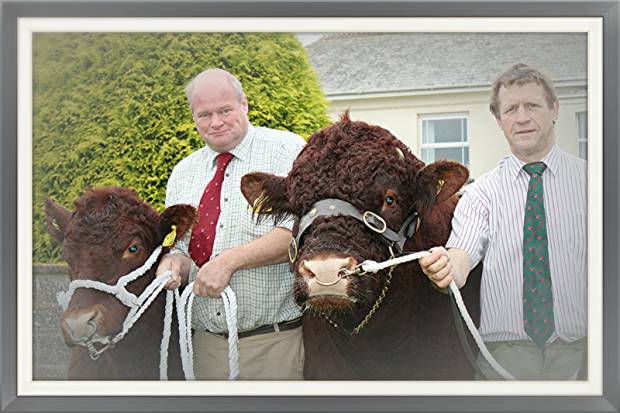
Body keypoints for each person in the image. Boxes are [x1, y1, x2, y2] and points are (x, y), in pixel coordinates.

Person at [419, 63, 587, 380]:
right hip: (507, 358)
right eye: (511, 109)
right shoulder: (480, 194)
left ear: (555, 109)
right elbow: (460, 258)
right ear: (499, 120)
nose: (522, 117)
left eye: (532, 105)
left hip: (586, 353)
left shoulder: (596, 184)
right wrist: (445, 269)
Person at [156, 68, 305, 380]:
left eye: (225, 110)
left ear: (244, 105)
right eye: (204, 114)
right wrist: (171, 264)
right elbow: (182, 250)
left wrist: (228, 262)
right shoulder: (182, 173)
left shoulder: (287, 150)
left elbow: (296, 235)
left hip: (273, 345)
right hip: (205, 347)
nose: (215, 122)